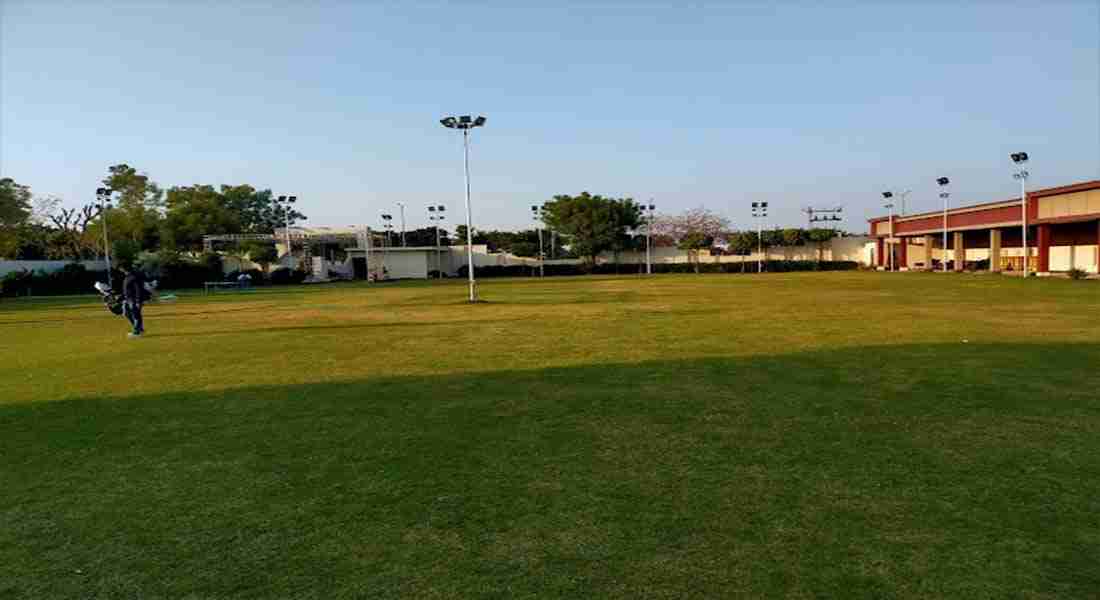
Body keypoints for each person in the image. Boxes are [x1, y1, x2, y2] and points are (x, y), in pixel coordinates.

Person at [121, 265, 148, 338]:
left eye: (122, 269)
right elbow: (126, 289)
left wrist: (138, 301)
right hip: (128, 299)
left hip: (134, 299)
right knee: (126, 313)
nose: (121, 270)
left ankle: (137, 332)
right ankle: (139, 328)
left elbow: (138, 289)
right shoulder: (128, 276)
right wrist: (122, 297)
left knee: (136, 315)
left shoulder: (134, 277)